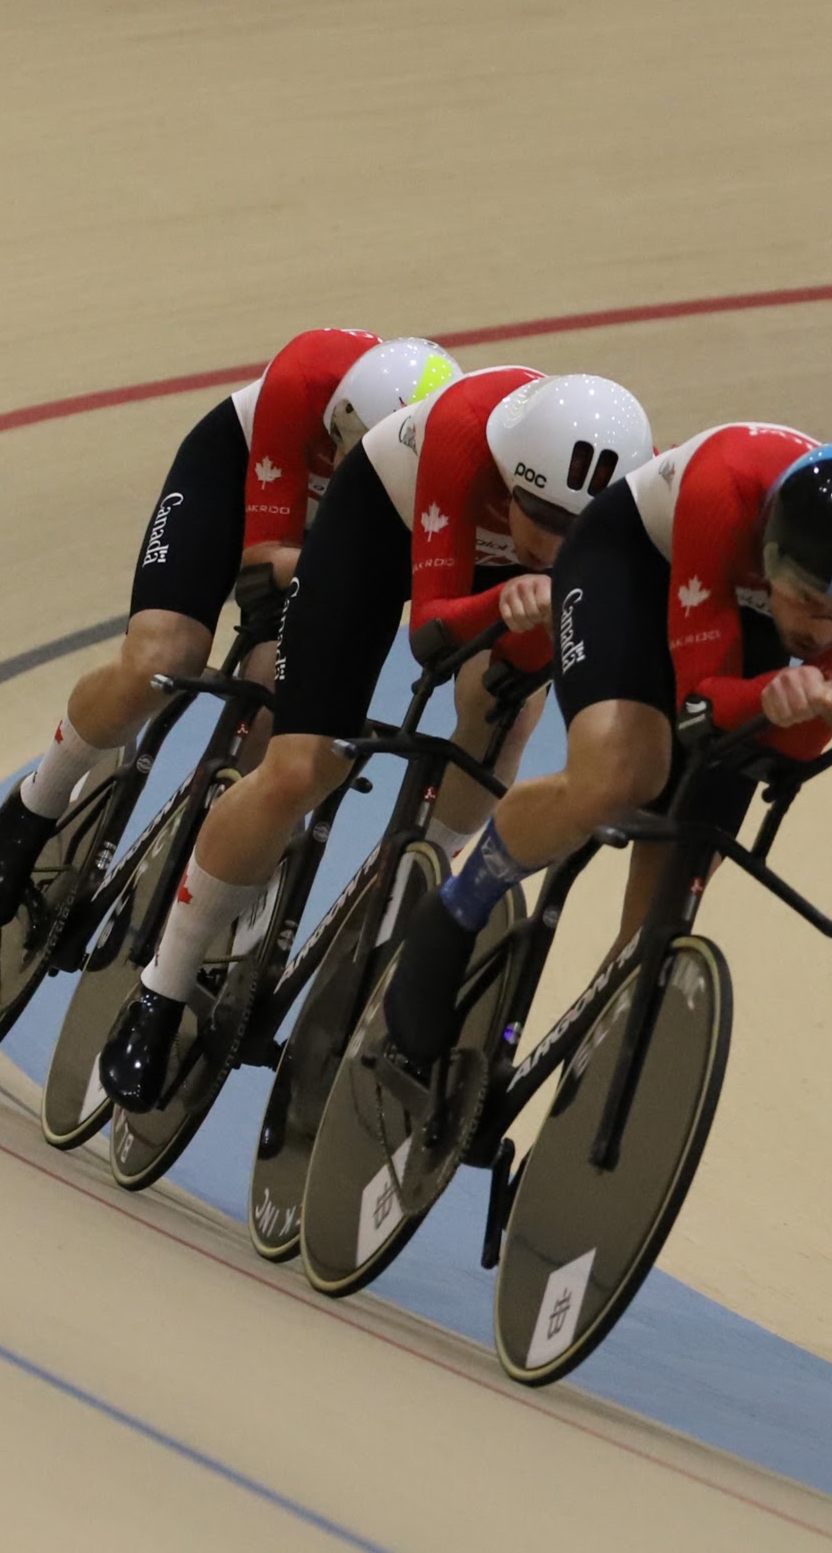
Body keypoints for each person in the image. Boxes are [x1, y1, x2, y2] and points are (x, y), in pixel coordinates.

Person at [98, 367, 655, 1110]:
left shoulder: (622, 516)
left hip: (491, 572)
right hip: (382, 527)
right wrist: (506, 601)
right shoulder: (462, 439)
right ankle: (159, 992)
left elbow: (534, 658)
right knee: (299, 768)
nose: (555, 543)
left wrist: (530, 634)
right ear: (509, 474)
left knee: (508, 711)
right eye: (540, 516)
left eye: (574, 529)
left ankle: (419, 880)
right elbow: (430, 633)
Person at [382, 427, 832, 1066]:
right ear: (771, 551)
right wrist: (774, 694)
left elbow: (787, 743)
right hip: (635, 561)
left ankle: (583, 1082)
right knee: (622, 774)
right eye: (810, 601)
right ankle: (459, 906)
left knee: (668, 902)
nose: (823, 629)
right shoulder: (723, 485)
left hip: (745, 606)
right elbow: (699, 702)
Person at [0, 330, 461, 922]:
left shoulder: (440, 457)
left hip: (347, 535)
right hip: (240, 478)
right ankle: (36, 801)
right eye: (347, 449)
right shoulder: (302, 380)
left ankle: (215, 862)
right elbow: (263, 562)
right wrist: (349, 568)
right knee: (159, 660)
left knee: (285, 715)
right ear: (340, 414)